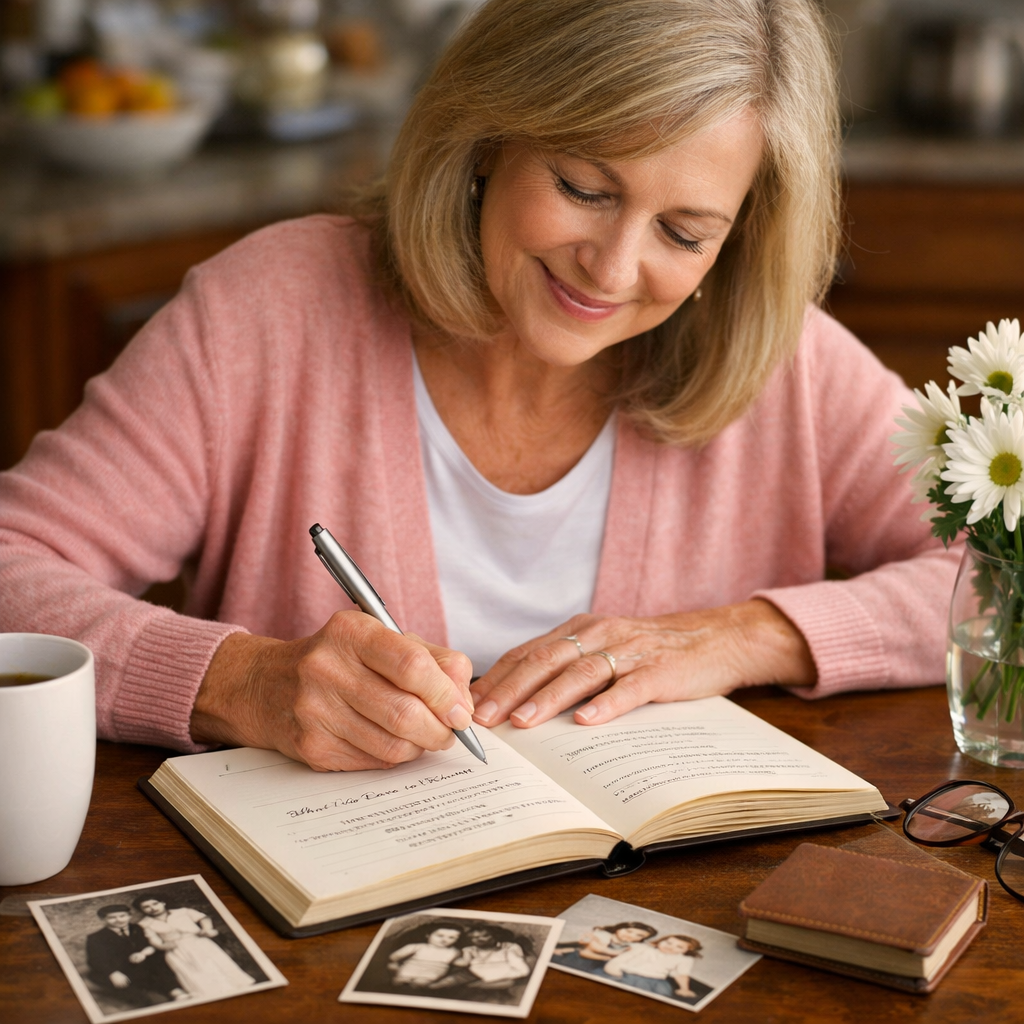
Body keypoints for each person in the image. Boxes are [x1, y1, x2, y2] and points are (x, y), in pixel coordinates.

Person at [0, 0, 959, 772]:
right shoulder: (266, 312)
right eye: (585, 187)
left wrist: (748, 636)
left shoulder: (786, 363)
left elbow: (1006, 585)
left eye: (684, 233)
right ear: (488, 134)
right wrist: (240, 681)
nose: (613, 271)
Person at [133, 895, 256, 998]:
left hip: (198, 943)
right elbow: (153, 940)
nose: (152, 908)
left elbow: (203, 918)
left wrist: (207, 929)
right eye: (146, 907)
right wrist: (163, 946)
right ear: (142, 910)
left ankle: (240, 990)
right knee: (196, 975)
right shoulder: (145, 924)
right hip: (176, 950)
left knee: (215, 966)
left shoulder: (183, 912)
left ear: (162, 903)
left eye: (155, 904)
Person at [85, 904, 188, 1005]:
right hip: (120, 969)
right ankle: (146, 1000)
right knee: (132, 992)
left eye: (122, 916)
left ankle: (174, 991)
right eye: (112, 918)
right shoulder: (96, 937)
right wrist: (112, 973)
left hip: (142, 963)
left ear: (129, 916)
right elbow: (95, 959)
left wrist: (142, 954)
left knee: (157, 962)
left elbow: (148, 944)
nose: (119, 920)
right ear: (103, 919)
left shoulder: (137, 928)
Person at [601, 934, 704, 1002]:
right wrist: (613, 970)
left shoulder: (683, 959)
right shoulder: (643, 948)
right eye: (668, 942)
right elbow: (620, 959)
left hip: (654, 981)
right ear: (660, 941)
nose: (671, 947)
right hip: (624, 973)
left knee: (656, 997)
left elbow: (681, 974)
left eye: (679, 947)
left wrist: (684, 989)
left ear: (686, 951)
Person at [429, 924, 532, 990]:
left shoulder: (508, 947)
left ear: (495, 936)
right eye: (474, 937)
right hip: (473, 973)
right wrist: (447, 958)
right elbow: (464, 962)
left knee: (475, 988)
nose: (479, 939)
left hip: (501, 973)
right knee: (440, 985)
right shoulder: (470, 949)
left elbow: (520, 967)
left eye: (485, 936)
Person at [553, 921, 657, 974]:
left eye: (639, 936)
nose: (632, 936)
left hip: (596, 961)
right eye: (629, 931)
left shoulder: (631, 946)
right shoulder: (604, 934)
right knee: (590, 940)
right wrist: (589, 939)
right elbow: (585, 947)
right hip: (579, 952)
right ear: (618, 928)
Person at [387, 923, 464, 986]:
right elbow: (395, 955)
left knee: (420, 984)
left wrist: (467, 953)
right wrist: (394, 963)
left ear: (457, 940)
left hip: (431, 974)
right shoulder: (418, 946)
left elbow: (460, 963)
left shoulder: (454, 951)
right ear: (428, 935)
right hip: (410, 969)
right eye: (440, 936)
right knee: (399, 981)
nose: (444, 940)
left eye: (451, 938)